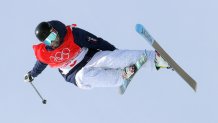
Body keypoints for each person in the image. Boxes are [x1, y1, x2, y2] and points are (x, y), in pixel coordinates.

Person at [24, 20, 170, 89]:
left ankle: (156, 59)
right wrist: (32, 74)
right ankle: (122, 76)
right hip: (75, 73)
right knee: (83, 77)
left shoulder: (72, 35)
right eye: (49, 40)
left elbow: (96, 42)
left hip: (91, 57)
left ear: (55, 30)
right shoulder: (45, 54)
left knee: (112, 58)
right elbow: (39, 66)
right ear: (45, 43)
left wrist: (116, 54)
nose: (54, 40)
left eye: (53, 35)